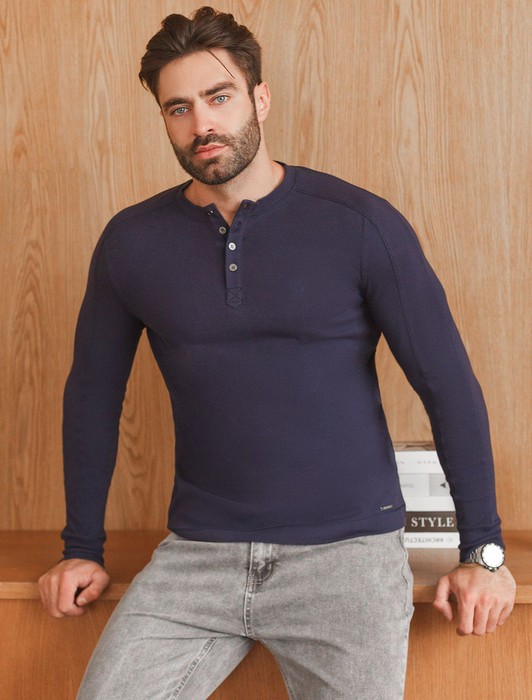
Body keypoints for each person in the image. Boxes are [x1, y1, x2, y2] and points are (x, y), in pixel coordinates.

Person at [38, 6, 516, 699]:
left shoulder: (361, 225)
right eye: (178, 108)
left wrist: (483, 552)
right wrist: (80, 548)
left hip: (347, 559)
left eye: (219, 97)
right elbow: (91, 398)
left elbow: (448, 385)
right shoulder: (131, 243)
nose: (202, 124)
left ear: (260, 98)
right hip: (197, 558)